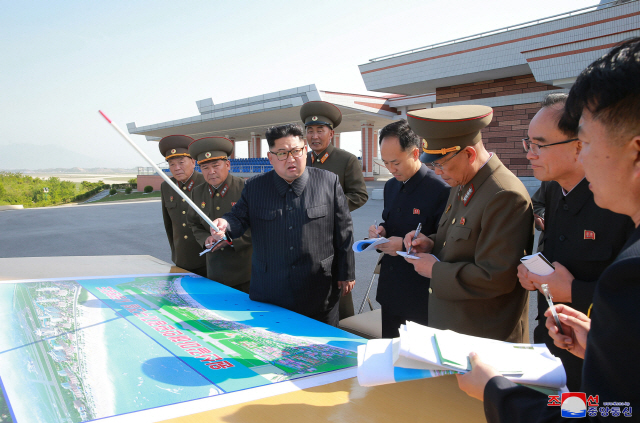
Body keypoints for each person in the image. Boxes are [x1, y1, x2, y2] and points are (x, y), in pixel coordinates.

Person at [457, 37, 640, 422]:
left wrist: (496, 392)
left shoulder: (629, 263)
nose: (585, 159)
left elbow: (607, 411)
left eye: (587, 142)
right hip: (564, 349)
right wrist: (601, 343)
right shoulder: (556, 193)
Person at [518, 93, 634, 391]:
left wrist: (573, 291)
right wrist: (537, 275)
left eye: (539, 145)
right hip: (555, 344)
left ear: (579, 145)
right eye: (528, 143)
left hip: (603, 362)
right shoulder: (555, 190)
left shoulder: (619, 202)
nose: (530, 154)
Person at [403, 105, 533, 343]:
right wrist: (430, 243)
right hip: (456, 328)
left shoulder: (504, 194)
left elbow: (497, 277)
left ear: (470, 154)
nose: (437, 172)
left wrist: (435, 270)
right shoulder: (463, 179)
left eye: (441, 164)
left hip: (484, 337)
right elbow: (460, 240)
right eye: (433, 166)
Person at [208, 123, 355, 327]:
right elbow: (238, 218)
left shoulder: (328, 182)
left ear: (305, 150)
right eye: (282, 153)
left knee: (321, 348)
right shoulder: (255, 187)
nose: (291, 159)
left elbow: (344, 230)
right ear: (270, 158)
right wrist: (224, 224)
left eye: (296, 151)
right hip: (271, 288)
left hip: (319, 288)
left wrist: (346, 273)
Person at [367, 119, 449, 338]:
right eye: (385, 163)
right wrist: (380, 233)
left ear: (415, 153)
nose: (391, 169)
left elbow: (446, 242)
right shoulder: (391, 186)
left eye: (396, 162)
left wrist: (404, 244)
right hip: (391, 289)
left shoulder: (440, 189)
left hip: (421, 294)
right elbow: (390, 222)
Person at [301, 100, 368, 320]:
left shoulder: (346, 160)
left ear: (331, 133)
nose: (314, 136)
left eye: (320, 130)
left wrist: (326, 209)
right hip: (306, 239)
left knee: (340, 300)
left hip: (334, 238)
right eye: (310, 131)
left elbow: (359, 195)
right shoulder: (303, 161)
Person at [186, 137, 252, 293]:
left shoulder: (245, 188)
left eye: (216, 166)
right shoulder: (197, 192)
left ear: (228, 165)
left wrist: (229, 240)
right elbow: (193, 222)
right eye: (205, 168)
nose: (211, 172)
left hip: (245, 273)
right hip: (214, 270)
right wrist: (205, 239)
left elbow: (258, 226)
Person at [159, 135, 206, 277]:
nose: (177, 168)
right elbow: (168, 224)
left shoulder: (206, 183)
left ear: (193, 162)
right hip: (181, 258)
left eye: (181, 162)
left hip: (206, 259)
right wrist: (176, 252)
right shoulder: (167, 186)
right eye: (172, 164)